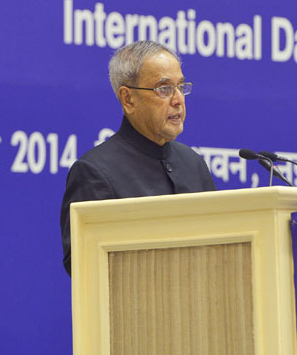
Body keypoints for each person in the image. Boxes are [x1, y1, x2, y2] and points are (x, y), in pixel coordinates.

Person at [60, 41, 217, 276]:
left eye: (180, 86)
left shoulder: (193, 164)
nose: (178, 100)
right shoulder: (95, 172)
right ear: (128, 99)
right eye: (164, 89)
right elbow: (86, 269)